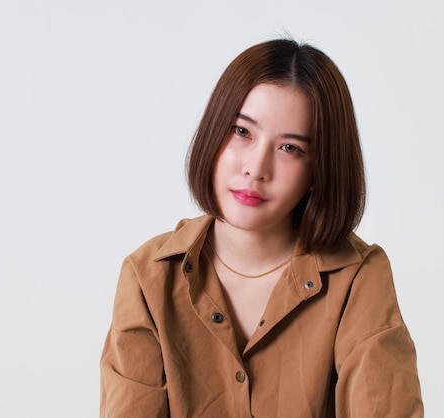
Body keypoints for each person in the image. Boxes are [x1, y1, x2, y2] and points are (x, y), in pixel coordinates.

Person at [100, 38, 423, 417]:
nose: (256, 168)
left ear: (319, 171)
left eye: (290, 148)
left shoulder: (357, 278)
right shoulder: (148, 277)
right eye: (242, 131)